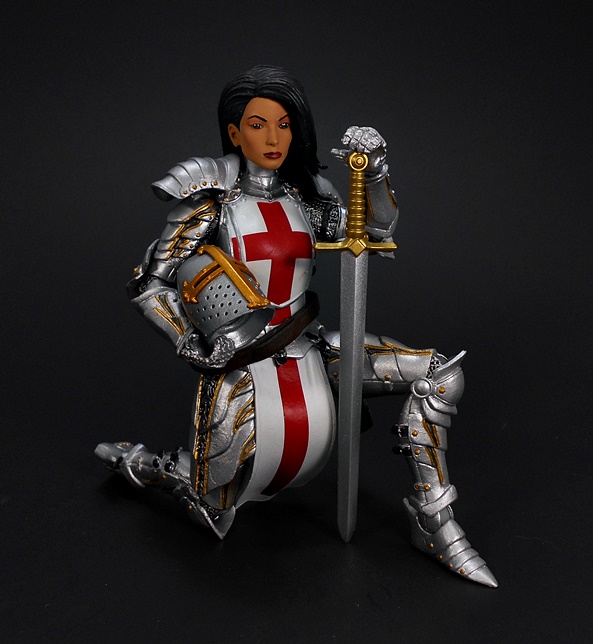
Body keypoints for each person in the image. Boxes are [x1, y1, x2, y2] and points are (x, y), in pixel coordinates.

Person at [96, 65, 497, 587]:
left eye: (284, 125)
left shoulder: (307, 197)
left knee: (439, 375)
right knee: (209, 504)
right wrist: (188, 340)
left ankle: (434, 521)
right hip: (240, 362)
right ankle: (145, 465)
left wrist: (375, 173)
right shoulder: (209, 199)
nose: (273, 138)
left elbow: (374, 229)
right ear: (234, 132)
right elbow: (151, 283)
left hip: (310, 349)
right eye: (257, 124)